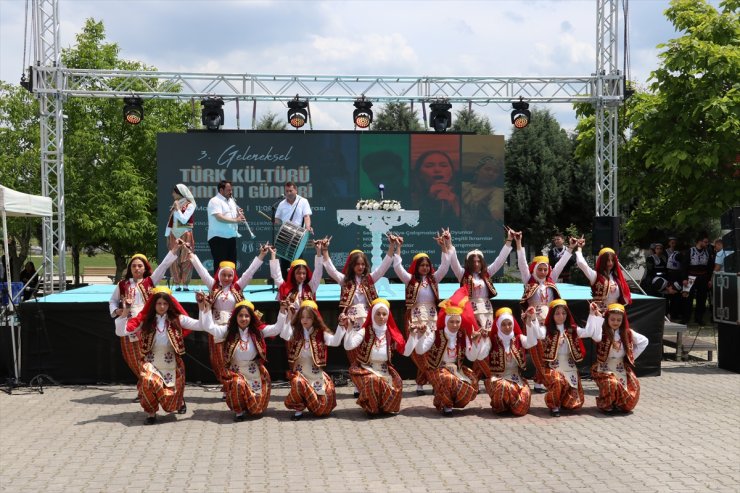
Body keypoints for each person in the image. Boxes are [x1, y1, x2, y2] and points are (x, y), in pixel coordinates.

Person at [115, 287, 210, 425]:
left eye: (165, 304)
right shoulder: (145, 320)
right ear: (153, 304)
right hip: (151, 362)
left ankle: (178, 401)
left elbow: (202, 325)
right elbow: (121, 332)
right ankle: (151, 413)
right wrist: (126, 310)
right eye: (159, 303)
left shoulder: (178, 319)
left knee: (170, 397)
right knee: (147, 381)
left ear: (170, 305)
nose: (162, 306)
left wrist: (201, 305)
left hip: (171, 362)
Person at [320, 238, 395, 396]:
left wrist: (391, 247)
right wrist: (325, 251)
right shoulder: (345, 281)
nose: (360, 267)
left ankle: (371, 381)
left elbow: (383, 267)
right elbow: (331, 270)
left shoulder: (370, 280)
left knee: (367, 351)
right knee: (353, 353)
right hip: (352, 322)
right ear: (352, 265)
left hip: (368, 322)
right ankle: (356, 385)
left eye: (362, 264)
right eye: (357, 264)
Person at [189, 246, 269, 394]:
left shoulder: (238, 287)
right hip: (216, 328)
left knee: (232, 356)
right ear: (219, 275)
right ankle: (226, 385)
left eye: (229, 276)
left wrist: (261, 255)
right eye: (223, 275)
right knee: (218, 359)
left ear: (233, 276)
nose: (226, 278)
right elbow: (202, 271)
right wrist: (191, 255)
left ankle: (236, 383)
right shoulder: (213, 286)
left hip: (234, 328)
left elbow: (249, 272)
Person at [200, 297, 288, 421]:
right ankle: (239, 411)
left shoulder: (258, 331)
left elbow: (276, 329)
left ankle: (250, 406)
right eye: (240, 316)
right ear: (235, 317)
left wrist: (283, 310)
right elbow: (209, 327)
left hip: (253, 370)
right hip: (235, 371)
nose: (243, 319)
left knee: (256, 410)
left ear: (251, 317)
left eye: (247, 316)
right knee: (238, 384)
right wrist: (207, 308)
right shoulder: (228, 331)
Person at [446, 228, 515, 380]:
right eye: (473, 261)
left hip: (487, 312)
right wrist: (449, 243)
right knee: (475, 343)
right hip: (471, 313)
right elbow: (453, 261)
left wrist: (509, 241)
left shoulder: (486, 274)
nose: (476, 264)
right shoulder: (462, 274)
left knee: (486, 343)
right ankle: (483, 376)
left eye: (479, 261)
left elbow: (499, 260)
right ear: (469, 263)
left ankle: (476, 377)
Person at [108, 249, 179, 391]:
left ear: (145, 268)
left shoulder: (150, 282)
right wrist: (117, 311)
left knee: (149, 358)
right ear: (130, 268)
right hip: (128, 326)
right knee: (133, 359)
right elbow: (112, 301)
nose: (136, 268)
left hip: (147, 327)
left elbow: (164, 265)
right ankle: (147, 385)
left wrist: (174, 250)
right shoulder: (122, 284)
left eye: (140, 266)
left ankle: (152, 387)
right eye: (133, 266)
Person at [391, 233, 451, 395]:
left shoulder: (433, 279)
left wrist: (444, 247)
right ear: (416, 266)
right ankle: (424, 382)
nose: (424, 267)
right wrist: (398, 248)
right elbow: (397, 267)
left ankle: (425, 382)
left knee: (432, 350)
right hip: (416, 319)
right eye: (421, 265)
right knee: (419, 351)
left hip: (432, 319)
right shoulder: (410, 279)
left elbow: (445, 266)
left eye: (427, 265)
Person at [515, 233, 576, 393]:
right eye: (539, 269)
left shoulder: (551, 280)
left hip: (549, 322)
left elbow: (560, 265)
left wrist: (570, 248)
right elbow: (522, 263)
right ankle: (539, 380)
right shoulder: (529, 280)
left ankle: (544, 379)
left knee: (549, 351)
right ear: (534, 270)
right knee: (536, 350)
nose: (543, 272)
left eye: (545, 269)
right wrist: (519, 243)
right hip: (533, 321)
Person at [407, 289, 479, 416]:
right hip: (437, 368)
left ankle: (450, 400)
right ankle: (446, 405)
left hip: (456, 369)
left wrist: (475, 343)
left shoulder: (463, 335)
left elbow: (471, 357)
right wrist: (422, 336)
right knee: (448, 379)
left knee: (473, 380)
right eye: (452, 322)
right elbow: (420, 350)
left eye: (457, 322)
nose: (455, 325)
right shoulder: (437, 334)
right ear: (446, 321)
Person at [524, 299, 595, 417]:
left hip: (569, 366)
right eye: (557, 313)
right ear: (552, 315)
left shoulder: (572, 329)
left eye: (563, 313)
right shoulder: (547, 330)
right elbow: (538, 334)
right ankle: (554, 405)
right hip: (552, 367)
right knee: (557, 380)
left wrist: (592, 314)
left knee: (576, 403)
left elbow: (589, 332)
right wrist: (533, 318)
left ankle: (562, 402)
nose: (561, 316)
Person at [280, 300, 346, 421]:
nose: (305, 320)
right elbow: (284, 335)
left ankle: (314, 405)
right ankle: (298, 410)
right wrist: (289, 315)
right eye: (302, 317)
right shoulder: (295, 331)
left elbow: (335, 342)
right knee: (297, 382)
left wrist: (341, 325)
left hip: (315, 372)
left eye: (309, 317)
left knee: (324, 405)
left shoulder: (321, 333)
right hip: (300, 372)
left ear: (315, 318)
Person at [342, 298, 406, 417]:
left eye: (384, 314)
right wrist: (350, 328)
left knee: (398, 383)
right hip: (365, 369)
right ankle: (371, 408)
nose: (381, 317)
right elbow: (348, 346)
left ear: (388, 316)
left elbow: (406, 352)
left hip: (384, 369)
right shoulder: (364, 330)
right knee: (372, 380)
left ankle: (384, 406)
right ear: (372, 314)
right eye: (378, 314)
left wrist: (414, 335)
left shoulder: (392, 333)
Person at [587, 303, 648, 413]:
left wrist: (630, 357)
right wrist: (594, 315)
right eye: (613, 319)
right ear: (607, 319)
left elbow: (644, 341)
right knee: (612, 384)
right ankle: (606, 405)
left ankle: (619, 404)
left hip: (620, 366)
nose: (615, 322)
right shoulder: (602, 332)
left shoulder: (627, 332)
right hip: (603, 368)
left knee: (634, 387)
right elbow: (593, 333)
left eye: (618, 320)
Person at [476, 307, 538, 416]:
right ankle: (501, 407)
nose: (507, 327)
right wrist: (483, 340)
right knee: (504, 386)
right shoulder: (492, 340)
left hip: (516, 379)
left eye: (509, 324)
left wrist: (529, 324)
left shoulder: (518, 338)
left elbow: (531, 342)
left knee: (524, 401)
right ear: (499, 325)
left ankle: (511, 405)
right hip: (498, 379)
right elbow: (481, 356)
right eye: (503, 324)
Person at [575, 241, 632, 312]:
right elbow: (581, 263)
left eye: (612, 260)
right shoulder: (595, 276)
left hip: (614, 315)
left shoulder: (617, 278)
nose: (610, 263)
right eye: (608, 260)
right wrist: (579, 248)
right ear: (602, 261)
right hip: (599, 314)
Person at [273, 181, 313, 278]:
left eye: (291, 190)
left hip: (298, 236)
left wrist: (308, 227)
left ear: (296, 190)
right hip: (285, 235)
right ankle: (286, 285)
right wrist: (274, 220)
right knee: (284, 262)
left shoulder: (303, 201)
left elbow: (306, 216)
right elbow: (277, 220)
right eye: (287, 191)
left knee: (298, 261)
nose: (289, 193)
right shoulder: (282, 204)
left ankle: (299, 284)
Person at [410, 150, 460, 226]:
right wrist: (429, 202)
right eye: (429, 166)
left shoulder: (463, 198)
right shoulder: (409, 199)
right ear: (419, 173)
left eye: (443, 165)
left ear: (452, 173)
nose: (437, 170)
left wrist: (455, 208)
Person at [268, 243, 323, 308]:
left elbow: (318, 272)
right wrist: (273, 255)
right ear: (292, 273)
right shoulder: (284, 287)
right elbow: (276, 274)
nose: (302, 276)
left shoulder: (311, 286)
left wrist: (319, 251)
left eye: (304, 273)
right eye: (298, 273)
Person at [207, 180, 244, 272]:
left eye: (231, 190)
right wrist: (236, 220)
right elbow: (219, 217)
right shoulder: (214, 201)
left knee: (231, 265)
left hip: (231, 237)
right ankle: (218, 286)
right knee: (220, 265)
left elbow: (233, 217)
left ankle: (231, 286)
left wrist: (239, 216)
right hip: (218, 237)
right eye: (228, 190)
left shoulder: (231, 201)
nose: (231, 192)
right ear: (221, 190)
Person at [462, 155, 504, 235]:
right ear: (477, 170)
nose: (491, 173)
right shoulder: (464, 186)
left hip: (479, 235)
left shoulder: (497, 192)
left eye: (496, 172)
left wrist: (496, 214)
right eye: (487, 169)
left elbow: (496, 206)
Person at [165, 184, 196, 291]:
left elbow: (184, 219)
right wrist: (168, 234)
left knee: (186, 259)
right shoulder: (176, 204)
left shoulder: (190, 205)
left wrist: (177, 209)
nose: (172, 194)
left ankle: (185, 284)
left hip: (185, 233)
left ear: (179, 193)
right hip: (174, 234)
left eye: (174, 192)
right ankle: (177, 284)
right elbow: (171, 221)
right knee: (173, 259)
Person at [683, 234, 712, 325]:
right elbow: (684, 265)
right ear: (700, 241)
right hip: (691, 277)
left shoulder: (707, 252)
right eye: (705, 242)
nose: (707, 244)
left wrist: (709, 279)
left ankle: (699, 318)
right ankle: (686, 319)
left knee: (702, 299)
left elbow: (710, 267)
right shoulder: (690, 251)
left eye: (707, 242)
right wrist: (684, 278)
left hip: (703, 278)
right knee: (687, 298)